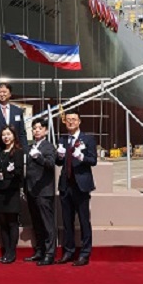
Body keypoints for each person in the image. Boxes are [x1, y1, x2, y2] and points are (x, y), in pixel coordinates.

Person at [55, 108, 97, 267]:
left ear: (79, 121)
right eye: (68, 119)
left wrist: (82, 157)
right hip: (66, 185)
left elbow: (93, 160)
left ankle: (85, 254)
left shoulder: (88, 139)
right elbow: (59, 163)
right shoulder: (63, 139)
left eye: (74, 119)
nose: (71, 122)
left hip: (81, 185)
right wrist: (58, 156)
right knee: (67, 222)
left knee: (84, 221)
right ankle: (69, 251)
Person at [25, 119, 58, 266]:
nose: (36, 130)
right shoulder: (30, 146)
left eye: (39, 128)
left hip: (44, 191)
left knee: (47, 223)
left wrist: (38, 157)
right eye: (34, 128)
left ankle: (50, 253)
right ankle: (40, 251)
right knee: (37, 223)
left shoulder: (49, 147)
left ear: (45, 131)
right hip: (31, 190)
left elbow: (51, 164)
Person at [0, 126, 24, 264]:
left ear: (14, 136)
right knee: (2, 223)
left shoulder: (17, 152)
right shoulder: (0, 152)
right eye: (4, 135)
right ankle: (6, 251)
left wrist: (9, 172)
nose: (6, 137)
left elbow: (19, 173)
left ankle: (12, 252)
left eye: (8, 134)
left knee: (12, 222)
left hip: (11, 192)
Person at [0, 83, 28, 152]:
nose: (2, 94)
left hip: (14, 149)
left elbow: (22, 132)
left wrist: (25, 149)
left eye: (4, 92)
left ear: (10, 94)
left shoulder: (17, 111)